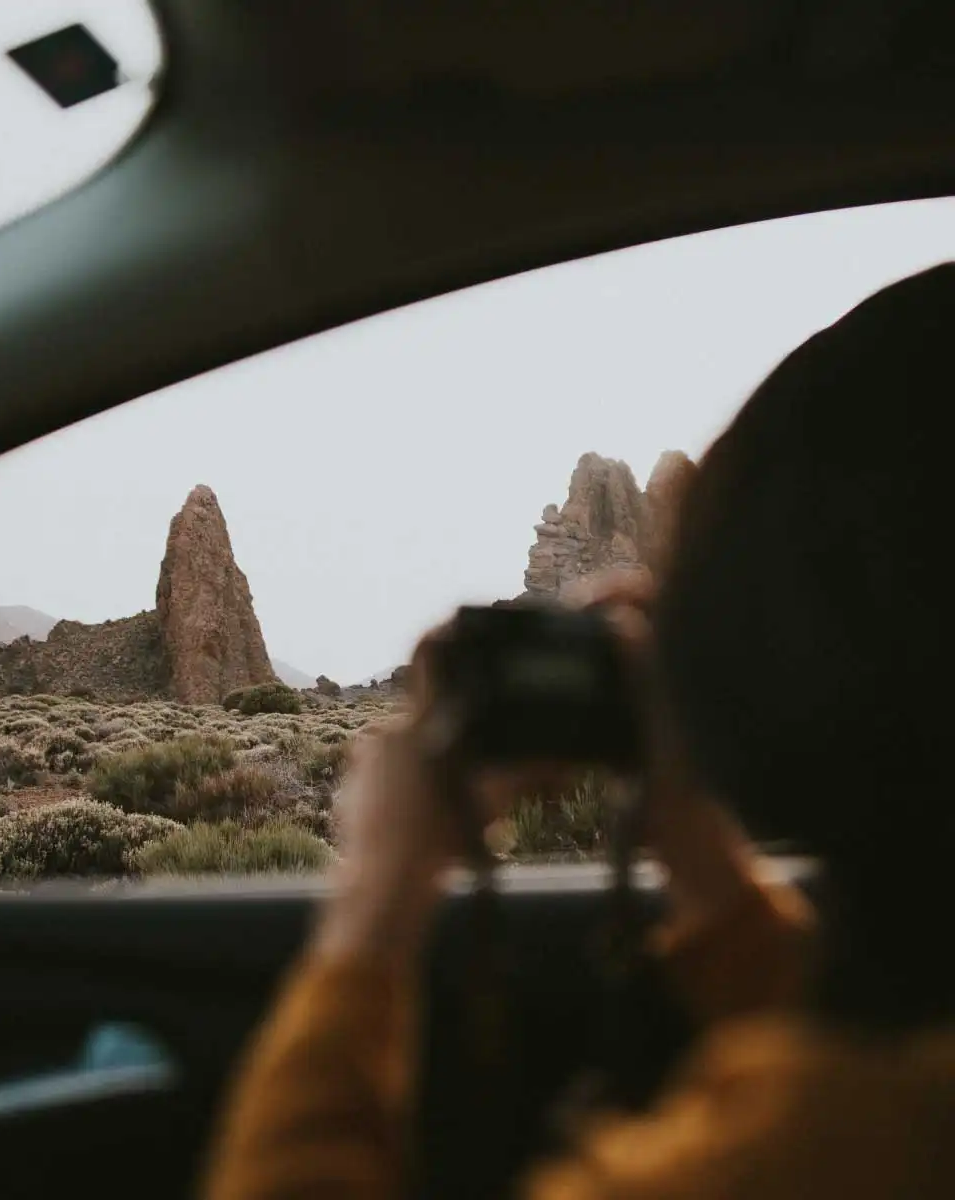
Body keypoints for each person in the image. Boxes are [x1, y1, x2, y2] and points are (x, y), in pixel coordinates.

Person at [200, 263, 955, 1198]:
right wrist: (698, 847)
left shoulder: (817, 1147)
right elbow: (880, 1006)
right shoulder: (900, 1089)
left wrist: (378, 900)